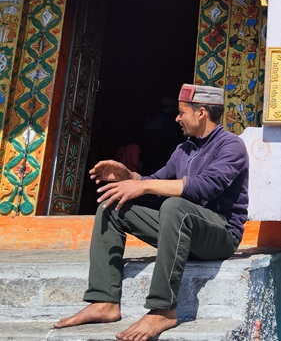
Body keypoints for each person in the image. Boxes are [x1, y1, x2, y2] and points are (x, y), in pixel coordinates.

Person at [53, 84, 249, 341]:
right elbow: (156, 182)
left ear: (201, 112)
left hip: (219, 235)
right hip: (181, 229)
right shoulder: (184, 150)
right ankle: (104, 301)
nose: (177, 118)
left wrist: (142, 184)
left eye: (181, 112)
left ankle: (163, 308)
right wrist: (130, 176)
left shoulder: (231, 146)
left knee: (175, 205)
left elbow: (203, 188)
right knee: (113, 205)